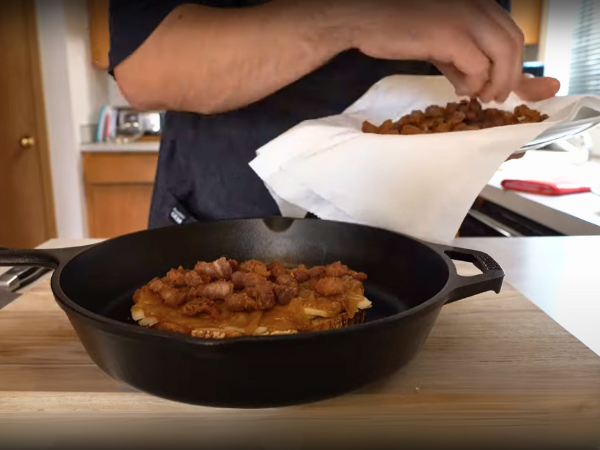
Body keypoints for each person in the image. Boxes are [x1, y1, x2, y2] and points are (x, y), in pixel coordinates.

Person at [109, 0, 560, 229]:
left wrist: (487, 132)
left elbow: (478, 64)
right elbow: (148, 67)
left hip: (415, 227)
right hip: (231, 220)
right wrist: (361, 14)